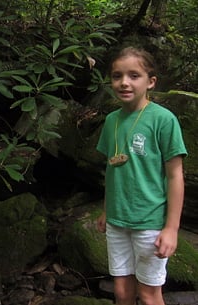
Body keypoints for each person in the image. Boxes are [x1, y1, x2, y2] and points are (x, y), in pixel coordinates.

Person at [96, 46, 187, 305]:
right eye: (117, 76)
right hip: (117, 220)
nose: (124, 82)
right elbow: (111, 170)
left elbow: (175, 176)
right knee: (122, 291)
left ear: (151, 81)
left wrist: (171, 228)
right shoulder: (111, 120)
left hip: (149, 222)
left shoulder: (163, 120)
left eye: (134, 75)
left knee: (148, 294)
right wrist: (106, 210)